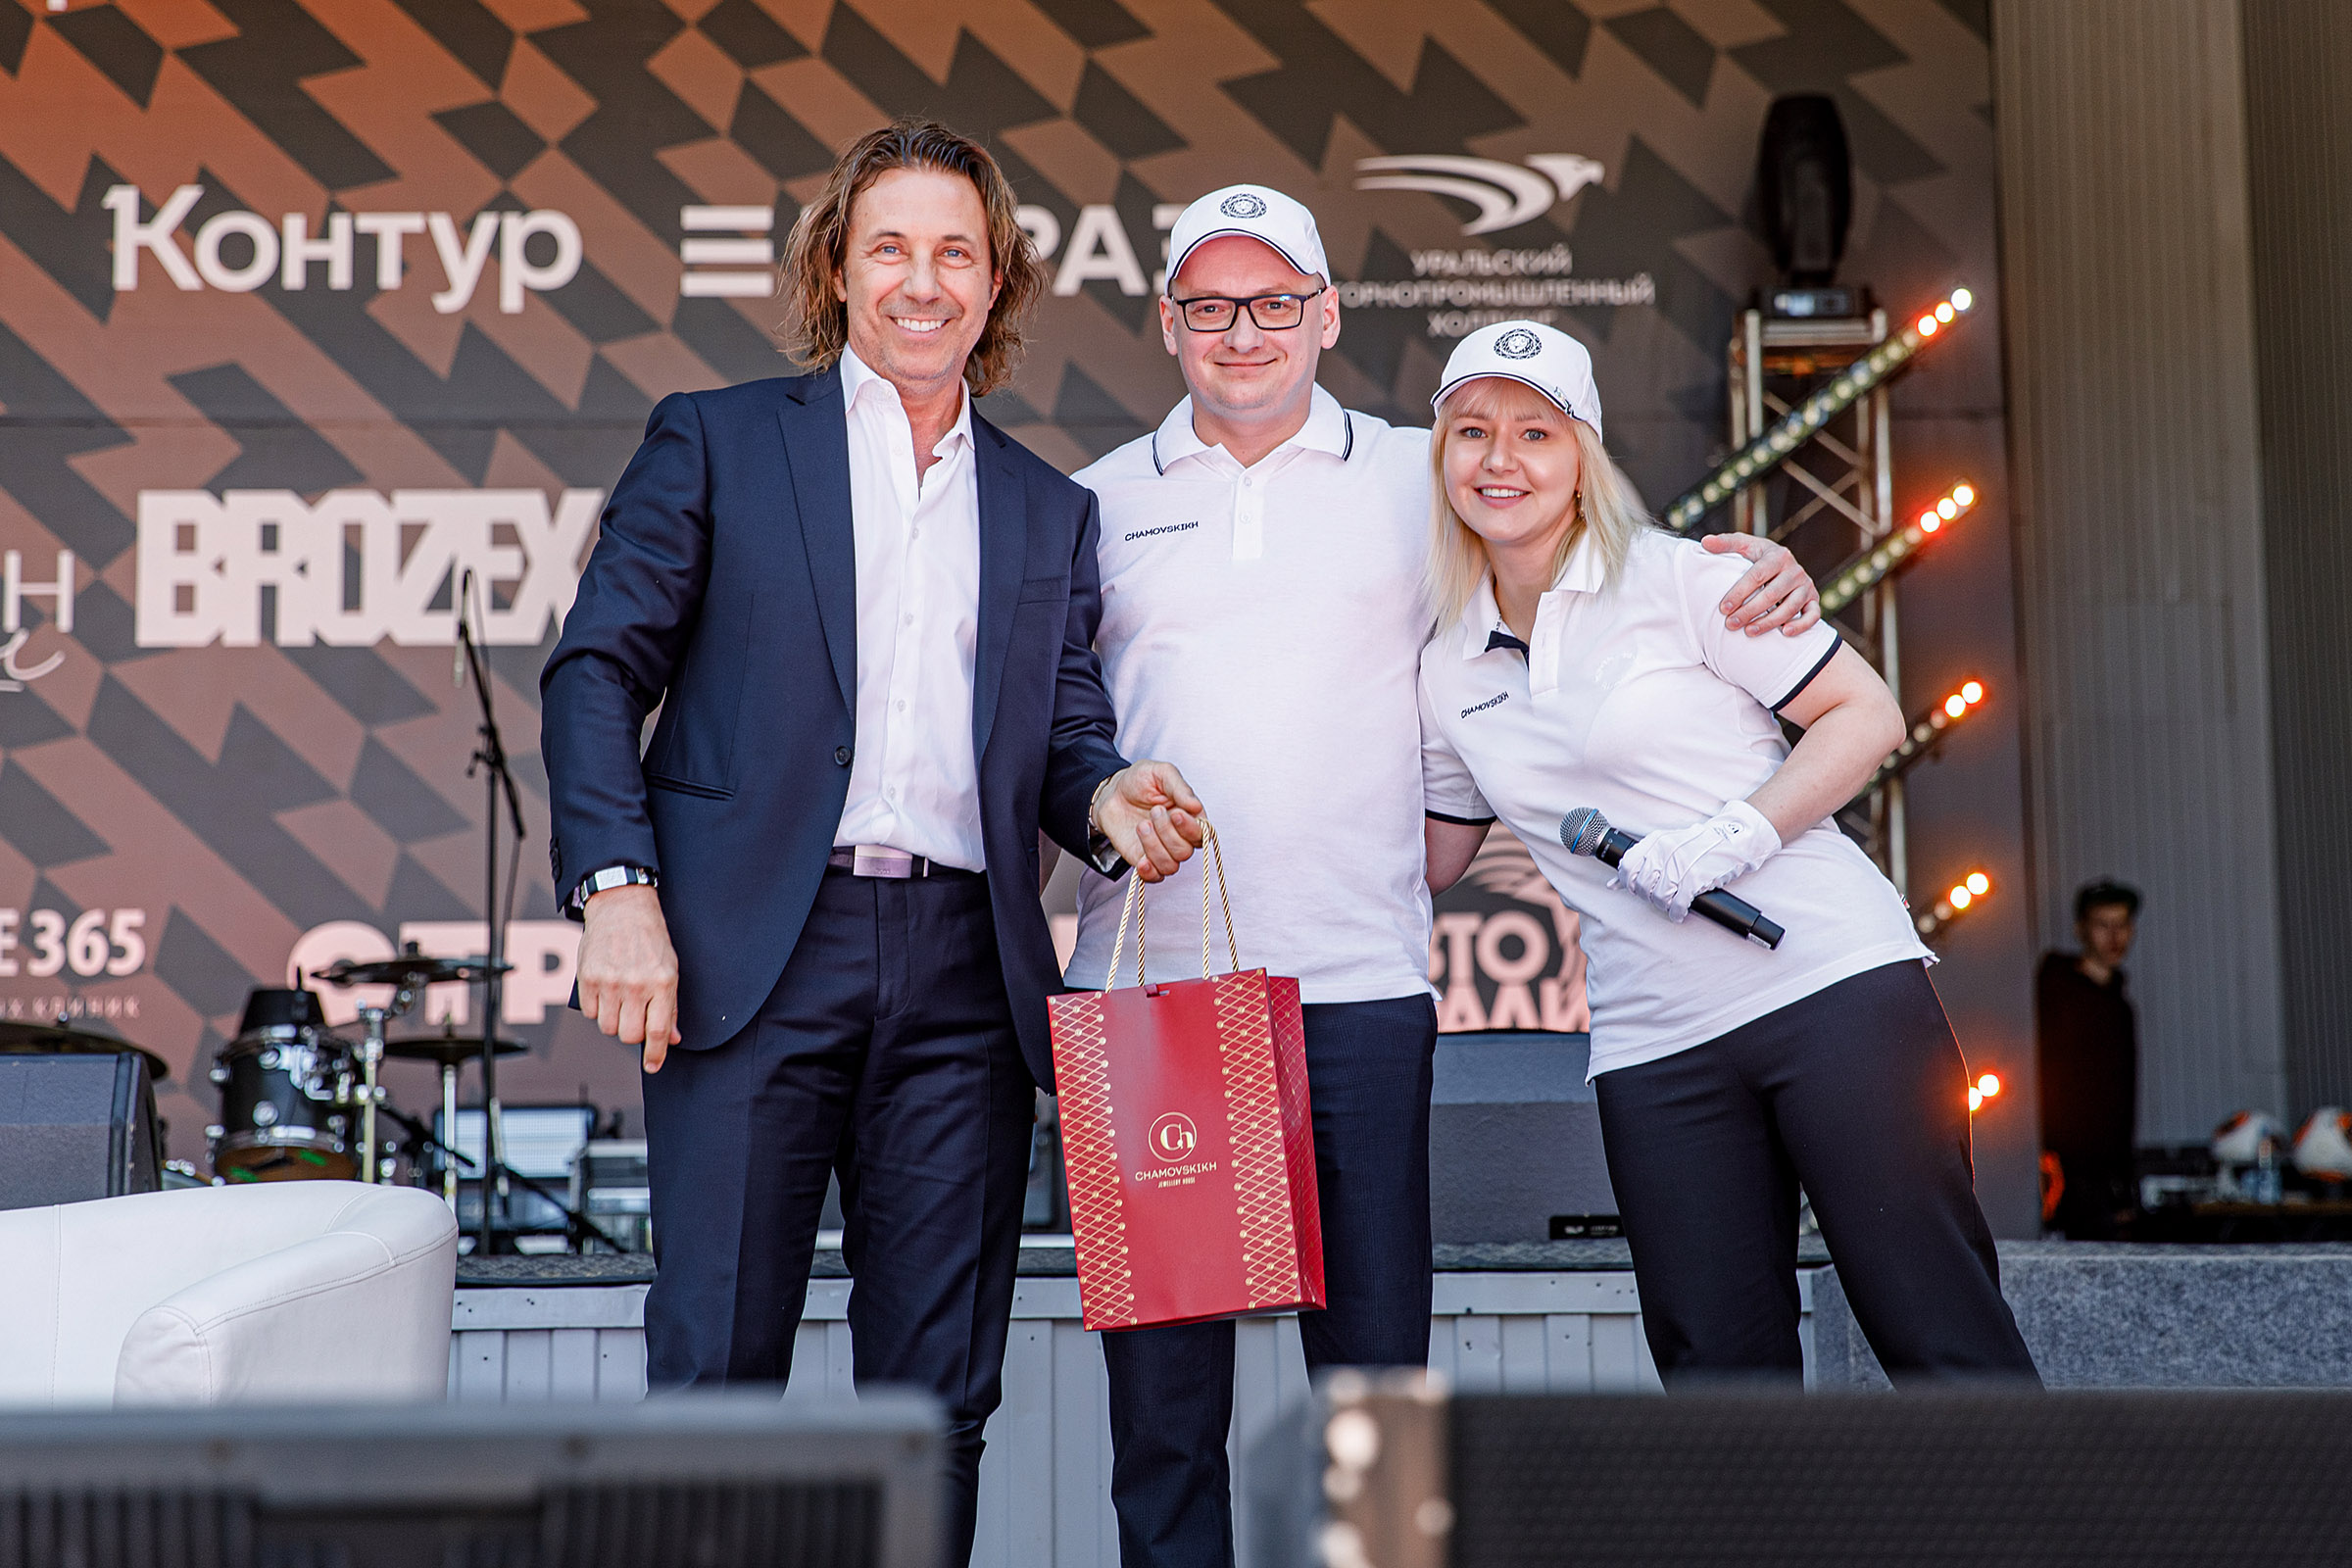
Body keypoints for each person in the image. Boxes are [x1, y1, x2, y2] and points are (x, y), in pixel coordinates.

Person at [1066, 189, 1824, 1567]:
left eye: (1276, 301)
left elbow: (1588, 566)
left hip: (1358, 987)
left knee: (1371, 1408)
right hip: (1159, 1000)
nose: (1244, 332)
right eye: (1211, 305)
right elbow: (1050, 725)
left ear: (1326, 313)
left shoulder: (1421, 475)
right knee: (1163, 1422)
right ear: (1167, 321)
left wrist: (1757, 573)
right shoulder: (1093, 501)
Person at [539, 119, 1205, 1562]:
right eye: (890, 247)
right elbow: (595, 671)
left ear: (996, 281)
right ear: (836, 268)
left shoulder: (1048, 508)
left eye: (956, 252)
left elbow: (1061, 733)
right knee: (714, 1379)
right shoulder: (716, 440)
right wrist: (617, 889)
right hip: (747, 962)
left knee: (935, 1405)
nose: (922, 280)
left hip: (966, 981)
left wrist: (1106, 798)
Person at [1419, 320, 2037, 1387]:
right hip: (1653, 1042)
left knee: (1941, 1339)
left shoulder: (1683, 578)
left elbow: (1865, 714)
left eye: (1536, 432)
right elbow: (1432, 859)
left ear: (1583, 457)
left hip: (1830, 988)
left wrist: (1729, 838)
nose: (1500, 458)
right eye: (1472, 431)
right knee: (1720, 1383)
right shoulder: (1444, 666)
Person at [2035, 879, 2141, 1239]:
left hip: (2107, 1175)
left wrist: (2122, 1181)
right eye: (2103, 925)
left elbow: (2123, 1098)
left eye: (2121, 925)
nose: (2114, 937)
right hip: (2063, 1168)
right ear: (2082, 929)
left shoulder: (2120, 1007)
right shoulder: (2056, 994)